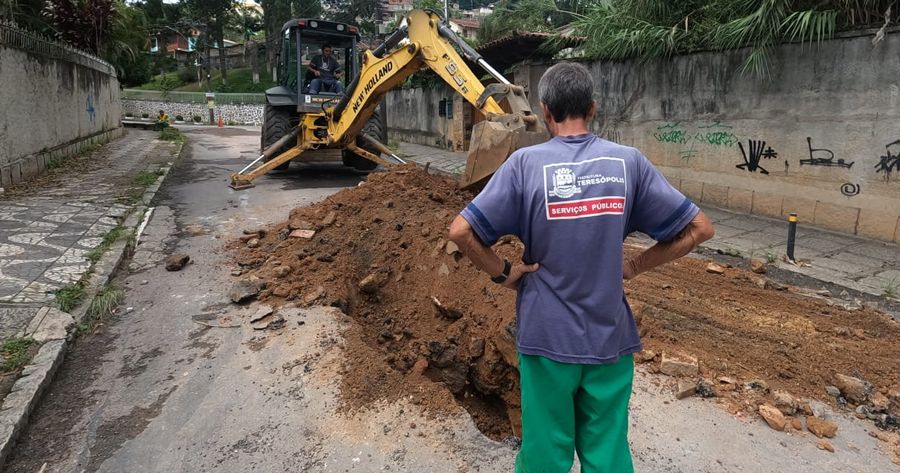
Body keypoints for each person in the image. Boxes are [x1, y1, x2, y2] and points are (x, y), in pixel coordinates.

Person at [448, 62, 714, 473]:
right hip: (608, 335)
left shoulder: (524, 164)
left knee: (544, 456)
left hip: (546, 336)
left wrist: (505, 272)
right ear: (592, 108)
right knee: (607, 453)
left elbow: (462, 232)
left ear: (545, 110)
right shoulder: (630, 164)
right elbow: (700, 228)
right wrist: (635, 265)